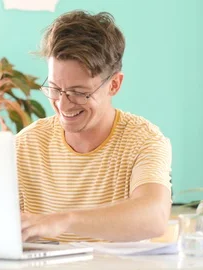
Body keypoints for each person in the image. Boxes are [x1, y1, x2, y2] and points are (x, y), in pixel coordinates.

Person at [16, 10, 172, 243]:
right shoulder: (27, 144)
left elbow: (155, 217)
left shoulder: (144, 140)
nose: (62, 103)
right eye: (55, 88)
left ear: (114, 85)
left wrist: (64, 220)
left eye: (79, 93)